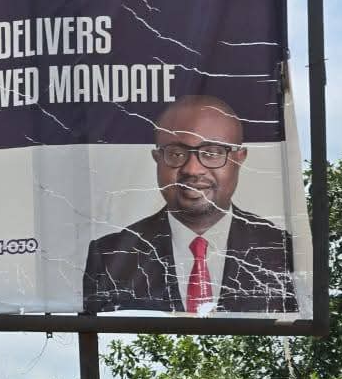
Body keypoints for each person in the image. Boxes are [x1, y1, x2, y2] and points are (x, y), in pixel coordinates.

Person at [82, 95, 296, 314]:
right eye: (176, 153)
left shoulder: (282, 251)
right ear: (157, 158)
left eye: (212, 153)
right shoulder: (109, 256)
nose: (192, 170)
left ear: (239, 158)